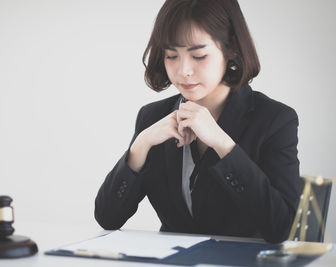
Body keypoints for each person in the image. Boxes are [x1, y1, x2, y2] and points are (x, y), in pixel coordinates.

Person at [94, 0, 302, 244]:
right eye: (171, 55)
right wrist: (140, 146)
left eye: (199, 55)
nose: (184, 71)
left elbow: (282, 228)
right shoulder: (152, 117)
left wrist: (223, 144)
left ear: (231, 49)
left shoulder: (275, 120)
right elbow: (108, 218)